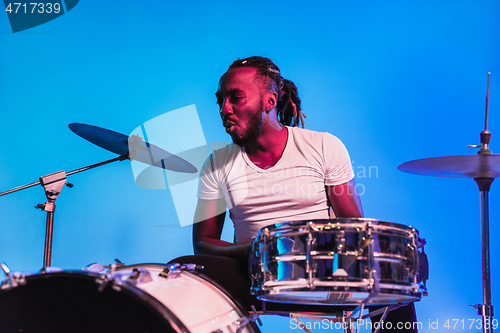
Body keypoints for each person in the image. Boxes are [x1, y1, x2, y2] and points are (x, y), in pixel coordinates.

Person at [170, 56, 417, 332]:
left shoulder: (323, 146)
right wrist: (255, 250)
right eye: (221, 101)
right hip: (257, 276)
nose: (224, 109)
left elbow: (355, 229)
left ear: (270, 101)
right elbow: (203, 242)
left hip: (325, 274)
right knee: (184, 269)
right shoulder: (216, 163)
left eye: (235, 98)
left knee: (396, 282)